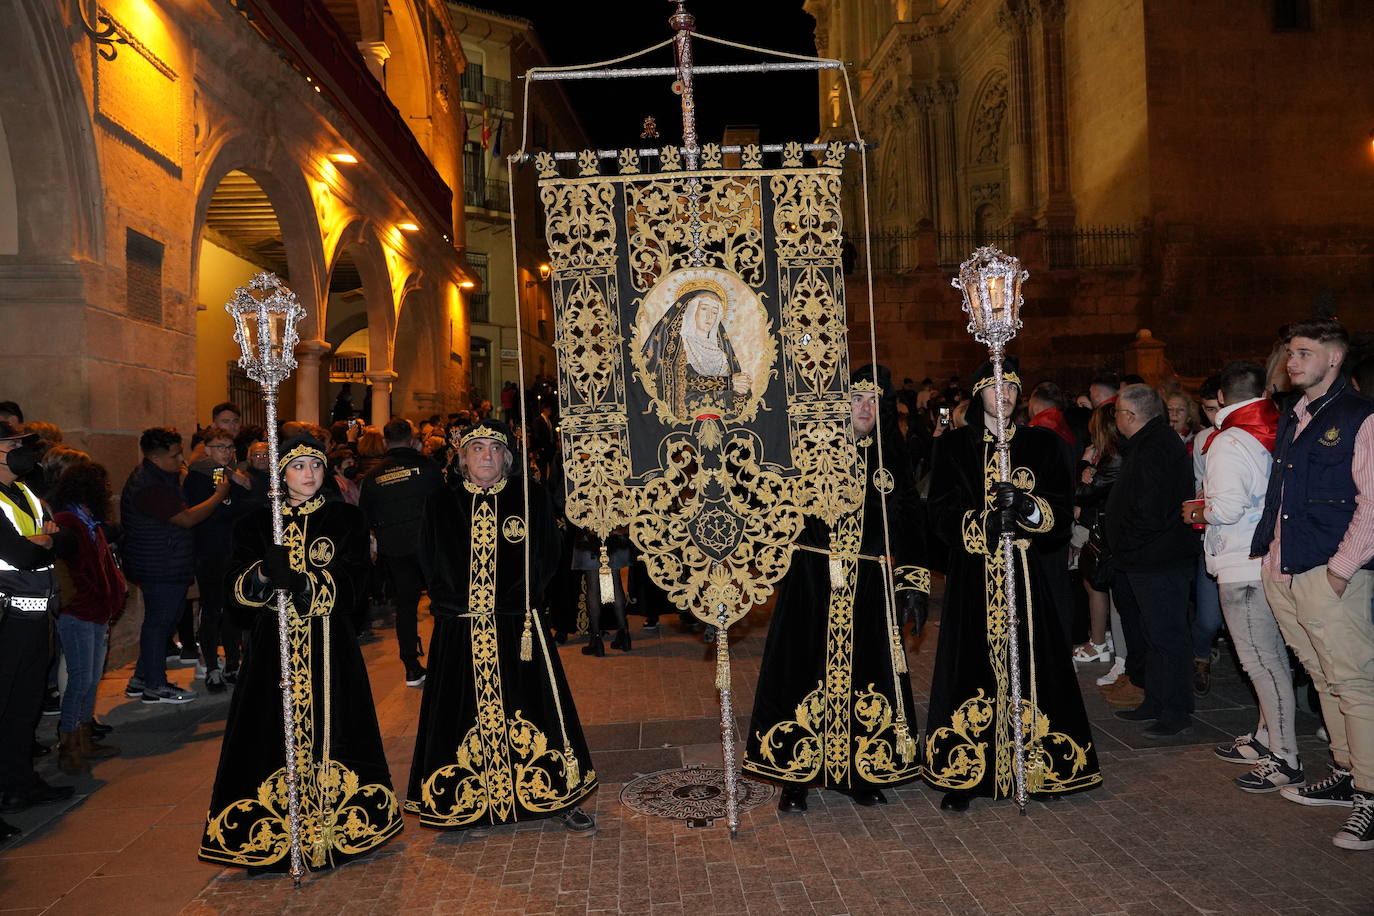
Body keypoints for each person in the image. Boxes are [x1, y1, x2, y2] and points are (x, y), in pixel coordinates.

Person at [198, 434, 402, 871]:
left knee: (339, 725)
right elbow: (234, 591)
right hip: (273, 645)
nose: (308, 475)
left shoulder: (346, 519)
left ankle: (340, 828)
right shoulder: (255, 525)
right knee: (267, 728)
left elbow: (356, 583)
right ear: (281, 473)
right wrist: (263, 576)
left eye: (315, 466)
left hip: (331, 643)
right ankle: (273, 833)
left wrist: (305, 583)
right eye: (298, 467)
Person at [743, 365, 930, 812]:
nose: (864, 408)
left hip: (869, 586)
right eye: (856, 399)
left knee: (867, 673)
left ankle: (859, 772)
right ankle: (796, 776)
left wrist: (913, 582)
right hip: (811, 583)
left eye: (873, 401)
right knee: (802, 672)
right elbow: (772, 507)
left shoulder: (892, 453)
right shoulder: (808, 449)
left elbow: (908, 518)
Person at [923, 358, 1101, 809]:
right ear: (977, 392)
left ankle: (1041, 766)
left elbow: (1061, 515)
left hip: (1024, 572)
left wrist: (1027, 508)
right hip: (972, 577)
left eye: (1011, 387)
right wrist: (984, 521)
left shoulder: (1042, 445)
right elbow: (940, 515)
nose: (1002, 394)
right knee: (971, 665)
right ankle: (965, 774)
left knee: (1035, 663)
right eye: (992, 386)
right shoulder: (954, 447)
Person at [407, 420, 597, 836]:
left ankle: (556, 797)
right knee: (460, 712)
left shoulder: (529, 497)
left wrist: (522, 597)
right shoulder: (442, 502)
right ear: (464, 458)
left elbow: (549, 552)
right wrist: (453, 602)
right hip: (461, 627)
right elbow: (428, 555)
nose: (487, 456)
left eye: (495, 449)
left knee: (536, 706)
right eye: (478, 449)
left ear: (507, 458)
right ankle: (467, 803)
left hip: (518, 625)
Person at [1252, 319, 1374, 851]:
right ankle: (1349, 774)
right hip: (1288, 567)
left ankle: (1372, 794)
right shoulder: (1296, 414)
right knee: (1324, 679)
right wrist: (1271, 561)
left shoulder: (1360, 416)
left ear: (1335, 358)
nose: (1292, 362)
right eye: (1289, 353)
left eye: (1304, 353)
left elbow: (1372, 502)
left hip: (1331, 573)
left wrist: (1341, 569)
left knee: (1353, 684)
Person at [1183, 361, 1299, 792]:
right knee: (1269, 658)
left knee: (1262, 663)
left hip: (1241, 564)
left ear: (1223, 399)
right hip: (1267, 557)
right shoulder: (1274, 427)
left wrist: (1196, 511)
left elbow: (1227, 508)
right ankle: (1268, 737)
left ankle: (1284, 756)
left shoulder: (1230, 441)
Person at [1105, 384, 1199, 737]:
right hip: (1145, 559)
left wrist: (1126, 544)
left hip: (1158, 560)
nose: (1115, 421)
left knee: (1168, 634)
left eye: (1117, 413)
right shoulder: (1148, 443)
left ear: (1130, 416)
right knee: (1152, 633)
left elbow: (1152, 511)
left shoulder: (1156, 447)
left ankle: (1175, 710)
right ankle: (1156, 700)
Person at [0, 421, 76, 838]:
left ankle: (19, 784)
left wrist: (47, 540)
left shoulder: (24, 491)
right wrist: (44, 541)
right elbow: (21, 556)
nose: (19, 450)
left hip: (35, 614)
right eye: (11, 444)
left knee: (24, 708)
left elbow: (67, 543)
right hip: (6, 616)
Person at [120, 427, 229, 704]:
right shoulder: (150, 485)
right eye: (174, 455)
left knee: (165, 620)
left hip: (166, 561)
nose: (180, 459)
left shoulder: (160, 476)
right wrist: (218, 495)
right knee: (159, 624)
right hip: (159, 564)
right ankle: (155, 685)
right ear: (155, 458)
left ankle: (141, 678)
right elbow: (186, 519)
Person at [48, 452, 126, 773]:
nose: (107, 489)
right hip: (79, 610)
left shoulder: (87, 519)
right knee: (79, 678)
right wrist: (90, 596)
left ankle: (85, 738)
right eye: (101, 483)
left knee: (91, 679)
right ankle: (69, 742)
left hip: (96, 609)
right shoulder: (69, 521)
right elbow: (72, 568)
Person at [358, 418, 444, 686]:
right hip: (428, 544)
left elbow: (365, 517)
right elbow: (443, 503)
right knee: (441, 600)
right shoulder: (427, 467)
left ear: (385, 442)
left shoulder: (373, 478)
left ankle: (410, 666)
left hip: (395, 548)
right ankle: (446, 658)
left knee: (405, 606)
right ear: (411, 439)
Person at [183, 426, 255, 692]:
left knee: (233, 609)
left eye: (229, 448)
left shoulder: (233, 475)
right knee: (212, 610)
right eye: (219, 447)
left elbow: (242, 507)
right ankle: (212, 666)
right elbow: (215, 511)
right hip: (209, 551)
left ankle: (233, 664)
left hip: (233, 550)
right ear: (207, 449)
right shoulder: (199, 477)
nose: (225, 453)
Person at [641, 283, 751, 420]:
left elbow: (733, 389)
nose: (710, 317)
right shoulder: (677, 345)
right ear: (692, 310)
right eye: (704, 309)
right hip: (687, 419)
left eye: (715, 312)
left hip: (721, 420)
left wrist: (741, 389)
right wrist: (727, 383)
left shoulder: (721, 350)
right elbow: (676, 382)